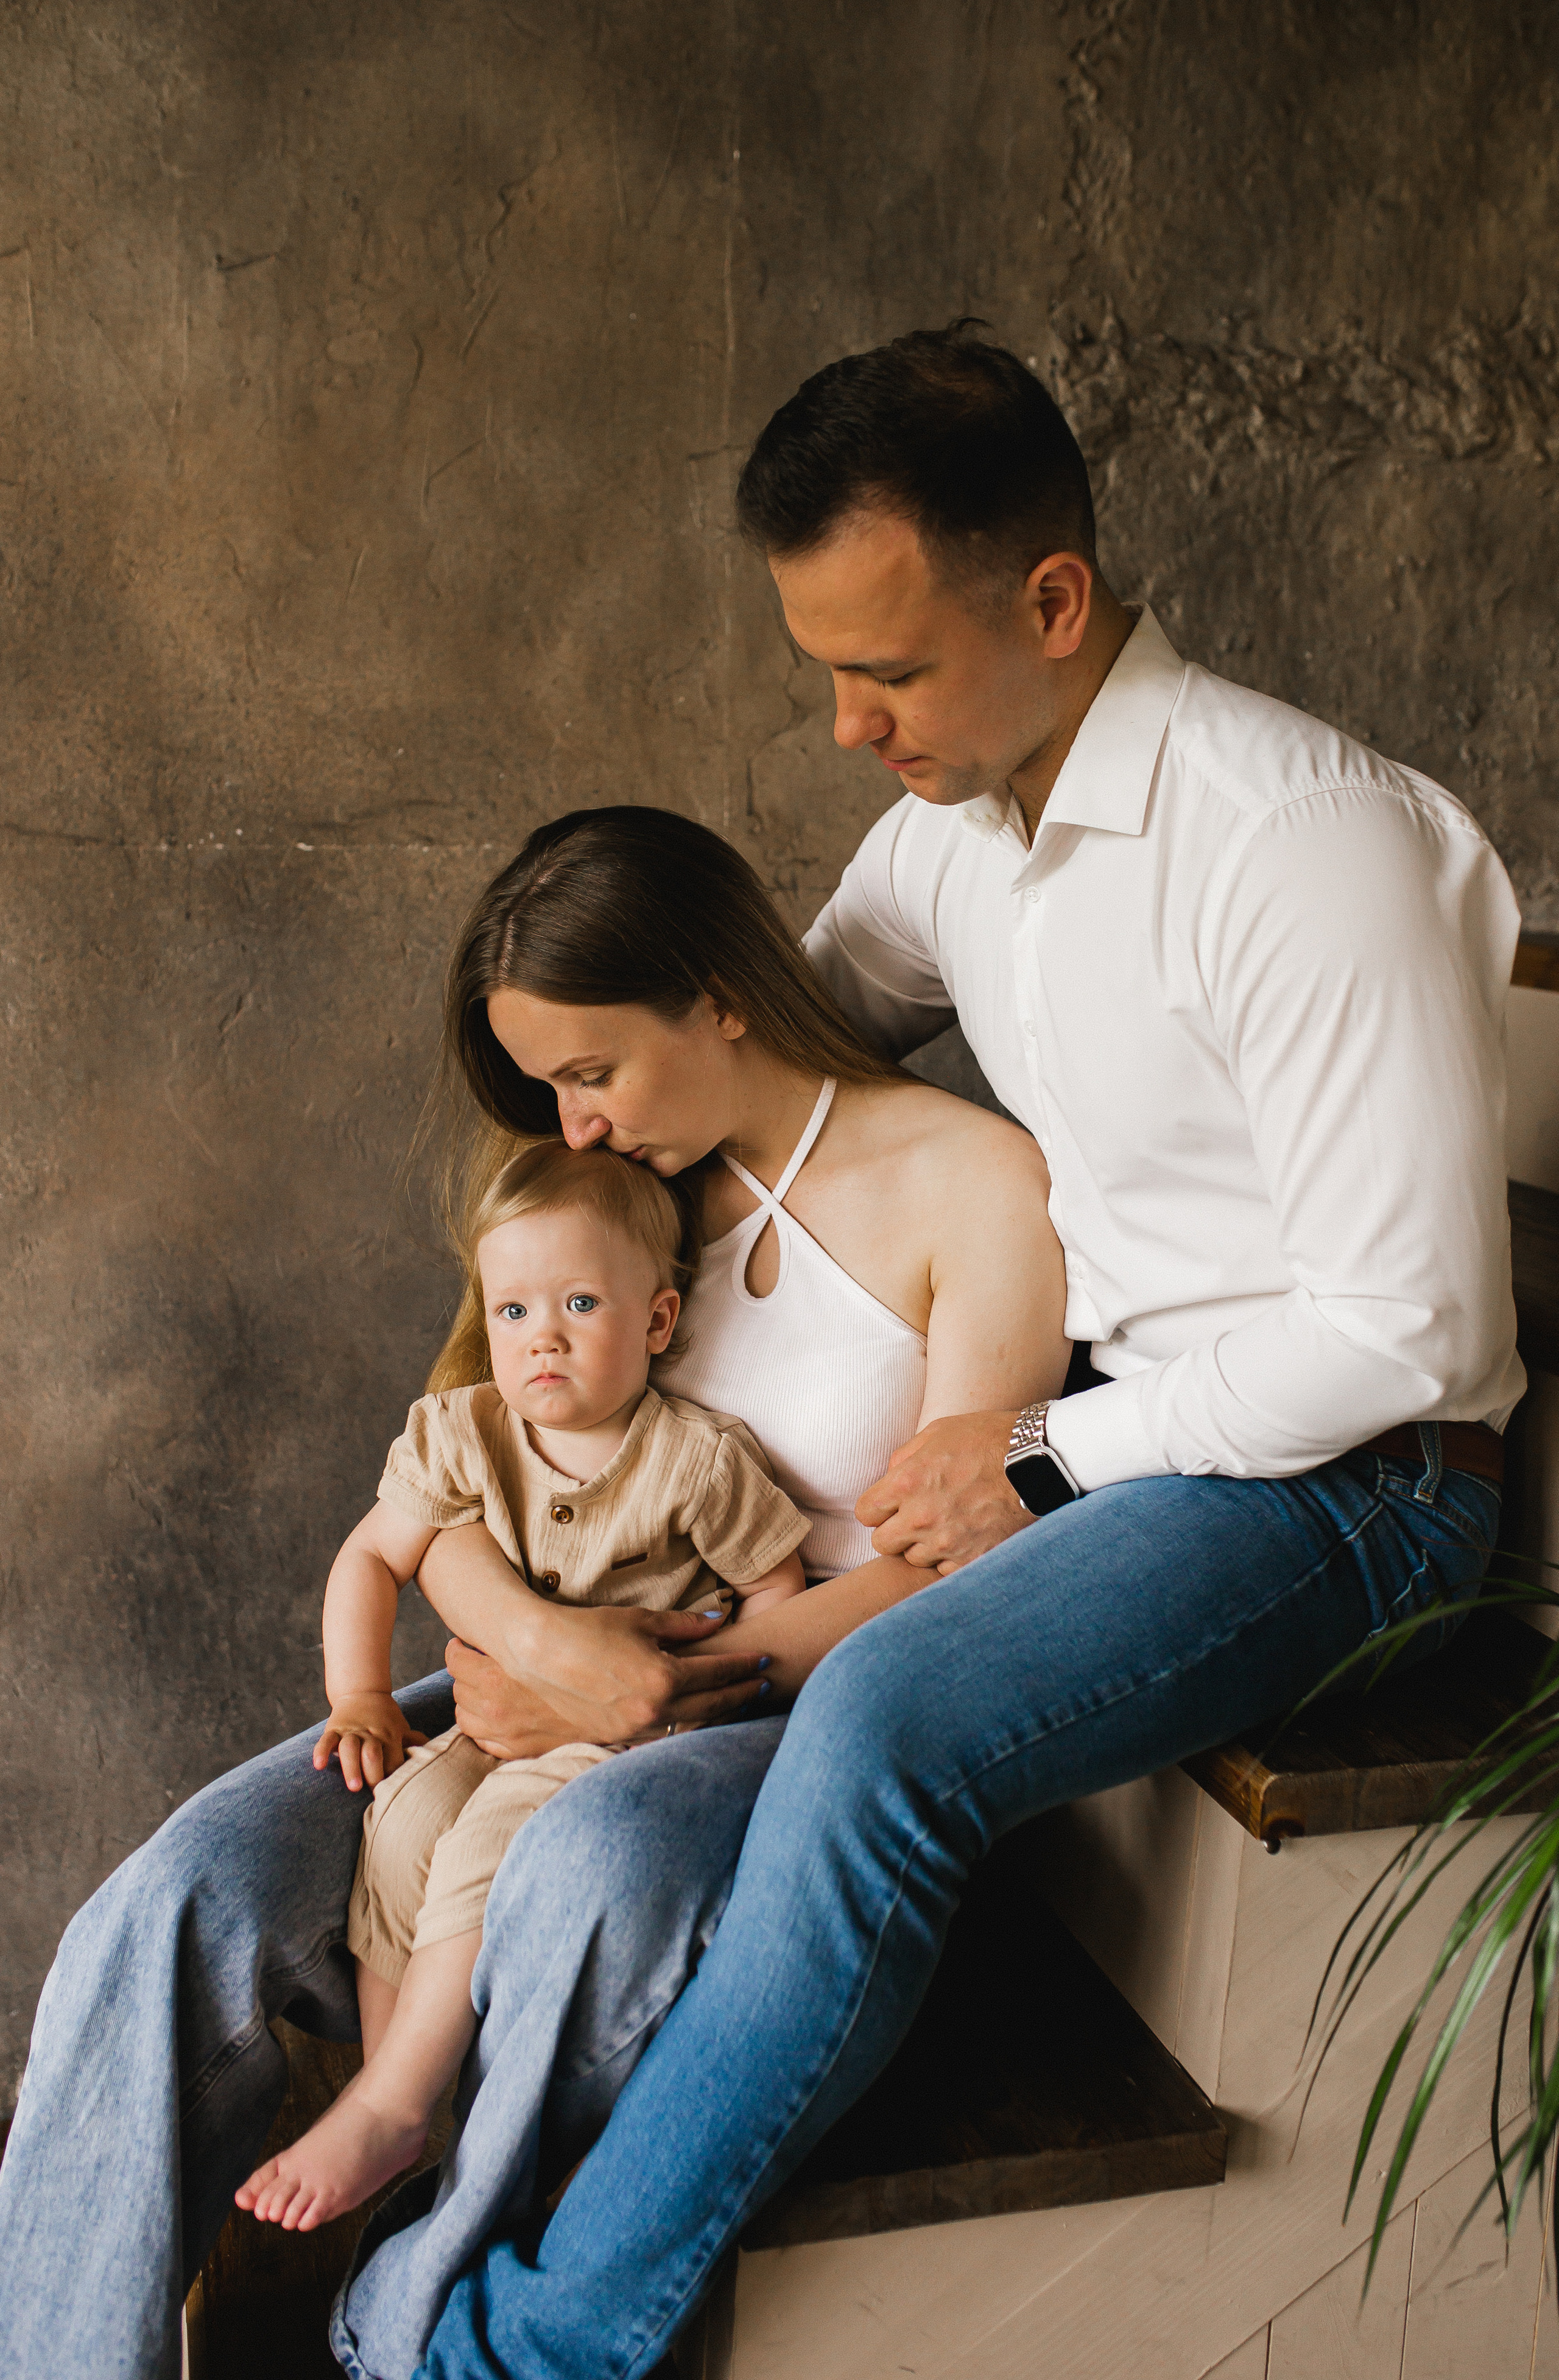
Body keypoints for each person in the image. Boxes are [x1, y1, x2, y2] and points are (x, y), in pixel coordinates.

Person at [376, 324, 1522, 2380]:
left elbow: (1415, 1318)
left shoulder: (1301, 841)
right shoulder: (956, 831)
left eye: (884, 670)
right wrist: (583, 1233)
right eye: (825, 666)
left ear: (1054, 603)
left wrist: (1051, 1450)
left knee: (885, 1719)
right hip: (1147, 1433)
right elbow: (767, 1037)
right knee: (519, 1660)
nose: (842, 725)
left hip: (1360, 1481)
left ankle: (522, 2349)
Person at [0, 798, 1063, 2380]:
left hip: (795, 1705)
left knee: (582, 1864)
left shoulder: (971, 1181)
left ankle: (412, 2312)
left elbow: (955, 1561)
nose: (569, 1124)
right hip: (526, 1676)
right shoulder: (625, 1185)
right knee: (175, 1898)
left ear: (720, 993)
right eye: (549, 1083)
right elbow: (437, 1479)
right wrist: (534, 1640)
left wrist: (644, 1683)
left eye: (590, 1068)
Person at [236, 1139, 809, 2234]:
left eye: (581, 1303)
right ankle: (403, 2088)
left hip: (618, 1741)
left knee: (485, 1841)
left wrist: (694, 1685)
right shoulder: (465, 1432)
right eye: (513, 1312)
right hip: (494, 1717)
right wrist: (358, 1694)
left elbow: (780, 1593)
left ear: (657, 1321)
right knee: (402, 1822)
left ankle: (396, 2103)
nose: (540, 1337)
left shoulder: (695, 1461)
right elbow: (371, 1556)